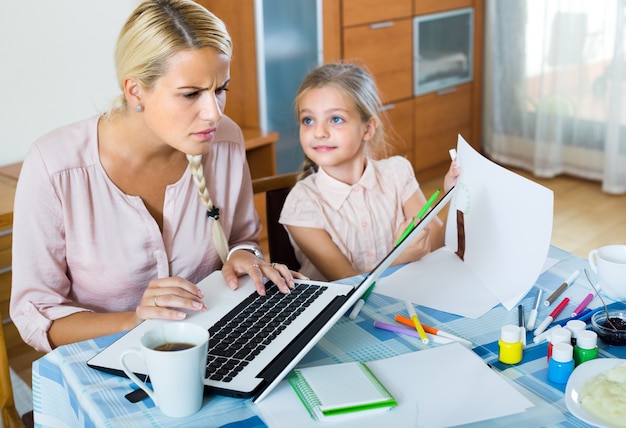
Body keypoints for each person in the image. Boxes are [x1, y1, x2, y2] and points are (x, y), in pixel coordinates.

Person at [10, 0, 299, 353]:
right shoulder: (54, 167)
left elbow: (241, 237)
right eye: (191, 94)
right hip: (105, 358)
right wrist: (135, 320)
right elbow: (37, 317)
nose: (213, 112)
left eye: (220, 89)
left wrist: (242, 254)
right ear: (135, 91)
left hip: (212, 348)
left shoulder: (226, 139)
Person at [279, 63, 459, 281]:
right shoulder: (302, 204)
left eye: (335, 119)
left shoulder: (396, 174)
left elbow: (437, 243)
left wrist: (453, 197)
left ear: (368, 128)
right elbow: (347, 284)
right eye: (308, 120)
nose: (319, 132)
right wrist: (399, 257)